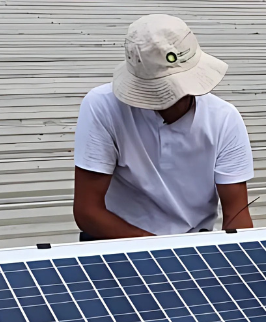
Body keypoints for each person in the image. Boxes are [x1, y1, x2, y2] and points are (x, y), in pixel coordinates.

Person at [72, 14, 254, 240]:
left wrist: (239, 251)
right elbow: (88, 211)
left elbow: (236, 214)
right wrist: (159, 249)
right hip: (116, 239)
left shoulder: (224, 119)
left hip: (192, 241)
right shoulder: (103, 106)